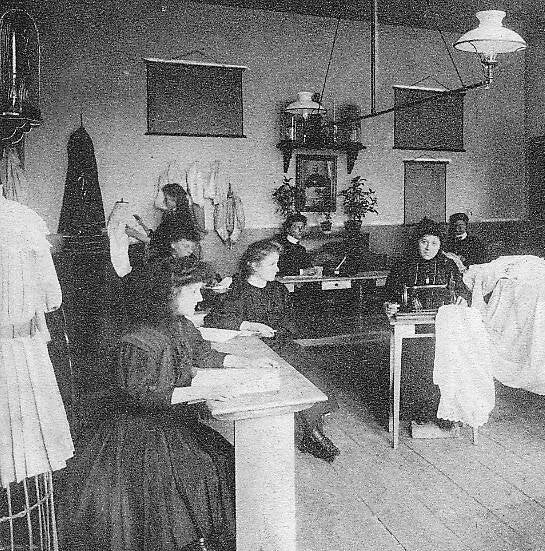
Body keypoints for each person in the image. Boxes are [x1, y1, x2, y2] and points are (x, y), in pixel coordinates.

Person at [58, 258, 278, 551]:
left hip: (170, 422)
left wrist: (247, 363)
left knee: (222, 459)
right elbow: (142, 396)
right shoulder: (136, 340)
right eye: (193, 291)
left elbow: (203, 354)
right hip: (137, 431)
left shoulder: (180, 325)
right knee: (191, 475)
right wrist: (201, 392)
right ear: (166, 296)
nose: (200, 298)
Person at [204, 239, 340, 462]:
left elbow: (291, 320)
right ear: (253, 265)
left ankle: (312, 429)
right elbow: (215, 319)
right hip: (253, 349)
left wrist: (279, 329)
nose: (277, 269)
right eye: (271, 264)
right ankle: (312, 434)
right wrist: (249, 326)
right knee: (289, 376)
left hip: (280, 344)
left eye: (277, 263)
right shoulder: (236, 289)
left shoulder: (278, 289)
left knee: (310, 372)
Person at [383, 218, 469, 435]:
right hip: (411, 325)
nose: (428, 248)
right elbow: (388, 294)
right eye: (424, 242)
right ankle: (418, 411)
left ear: (440, 245)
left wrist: (462, 299)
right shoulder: (403, 265)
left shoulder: (449, 265)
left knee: (446, 365)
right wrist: (389, 305)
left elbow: (463, 291)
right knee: (415, 365)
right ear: (417, 242)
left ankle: (444, 412)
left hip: (443, 327)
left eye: (434, 243)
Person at [145, 183, 202, 262]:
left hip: (176, 259)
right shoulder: (179, 214)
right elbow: (160, 235)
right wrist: (143, 226)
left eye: (166, 199)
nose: (164, 201)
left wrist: (135, 234)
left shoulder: (177, 217)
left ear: (174, 200)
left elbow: (160, 242)